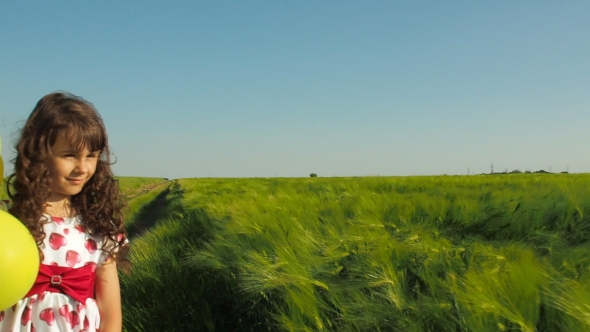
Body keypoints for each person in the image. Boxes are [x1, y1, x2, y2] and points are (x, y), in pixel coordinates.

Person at [0, 92, 129, 332]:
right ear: (39, 154)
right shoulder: (10, 223)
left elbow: (111, 317)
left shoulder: (99, 228)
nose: (82, 167)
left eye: (91, 156)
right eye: (69, 155)